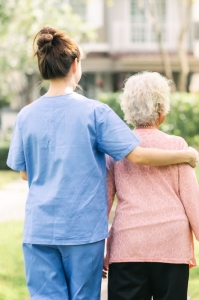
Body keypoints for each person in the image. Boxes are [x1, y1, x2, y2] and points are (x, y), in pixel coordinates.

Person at [6, 26, 198, 300]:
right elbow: (137, 154)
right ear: (75, 65)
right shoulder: (95, 112)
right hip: (82, 231)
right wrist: (186, 155)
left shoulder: (26, 115)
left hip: (39, 229)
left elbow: (25, 173)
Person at [104, 72, 199, 300]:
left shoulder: (116, 150)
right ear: (161, 110)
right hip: (171, 245)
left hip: (128, 246)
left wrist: (97, 250)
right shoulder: (177, 147)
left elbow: (103, 204)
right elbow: (193, 202)